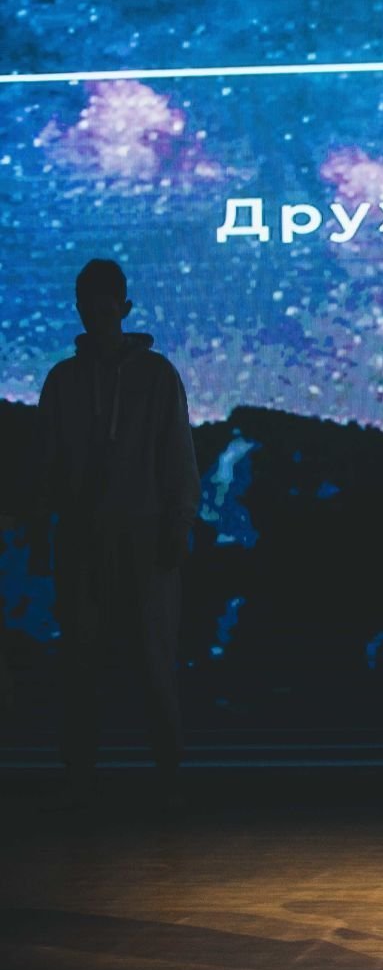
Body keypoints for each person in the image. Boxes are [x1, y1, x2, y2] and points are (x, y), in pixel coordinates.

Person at [31, 258, 198, 811]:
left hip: (144, 542)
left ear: (123, 307)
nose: (97, 314)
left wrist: (176, 526)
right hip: (84, 542)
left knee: (153, 662)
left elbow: (177, 457)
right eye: (90, 304)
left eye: (104, 304)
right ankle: (84, 781)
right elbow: (46, 466)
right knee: (82, 664)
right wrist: (41, 531)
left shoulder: (155, 376)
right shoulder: (64, 381)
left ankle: (166, 780)